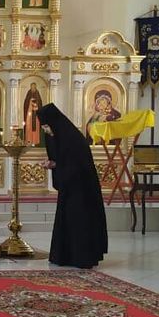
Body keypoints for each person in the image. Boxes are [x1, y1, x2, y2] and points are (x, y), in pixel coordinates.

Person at [36, 103, 108, 269]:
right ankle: (65, 256)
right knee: (67, 221)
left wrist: (55, 165)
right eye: (43, 127)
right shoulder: (57, 136)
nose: (46, 130)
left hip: (82, 190)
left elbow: (78, 165)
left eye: (46, 126)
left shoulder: (73, 139)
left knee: (80, 222)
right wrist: (52, 163)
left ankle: (82, 257)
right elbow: (61, 158)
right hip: (69, 188)